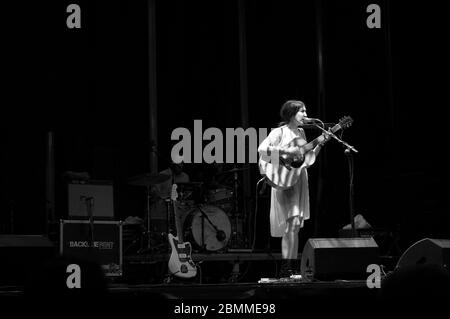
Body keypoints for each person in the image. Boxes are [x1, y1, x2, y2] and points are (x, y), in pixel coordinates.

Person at [258, 100, 329, 278]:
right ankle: (286, 266)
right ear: (291, 114)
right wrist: (286, 152)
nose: (305, 114)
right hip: (284, 179)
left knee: (295, 225)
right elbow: (262, 151)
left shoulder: (302, 132)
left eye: (306, 111)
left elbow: (306, 159)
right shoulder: (279, 132)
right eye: (302, 111)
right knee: (292, 223)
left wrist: (320, 143)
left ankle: (290, 265)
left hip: (298, 179)